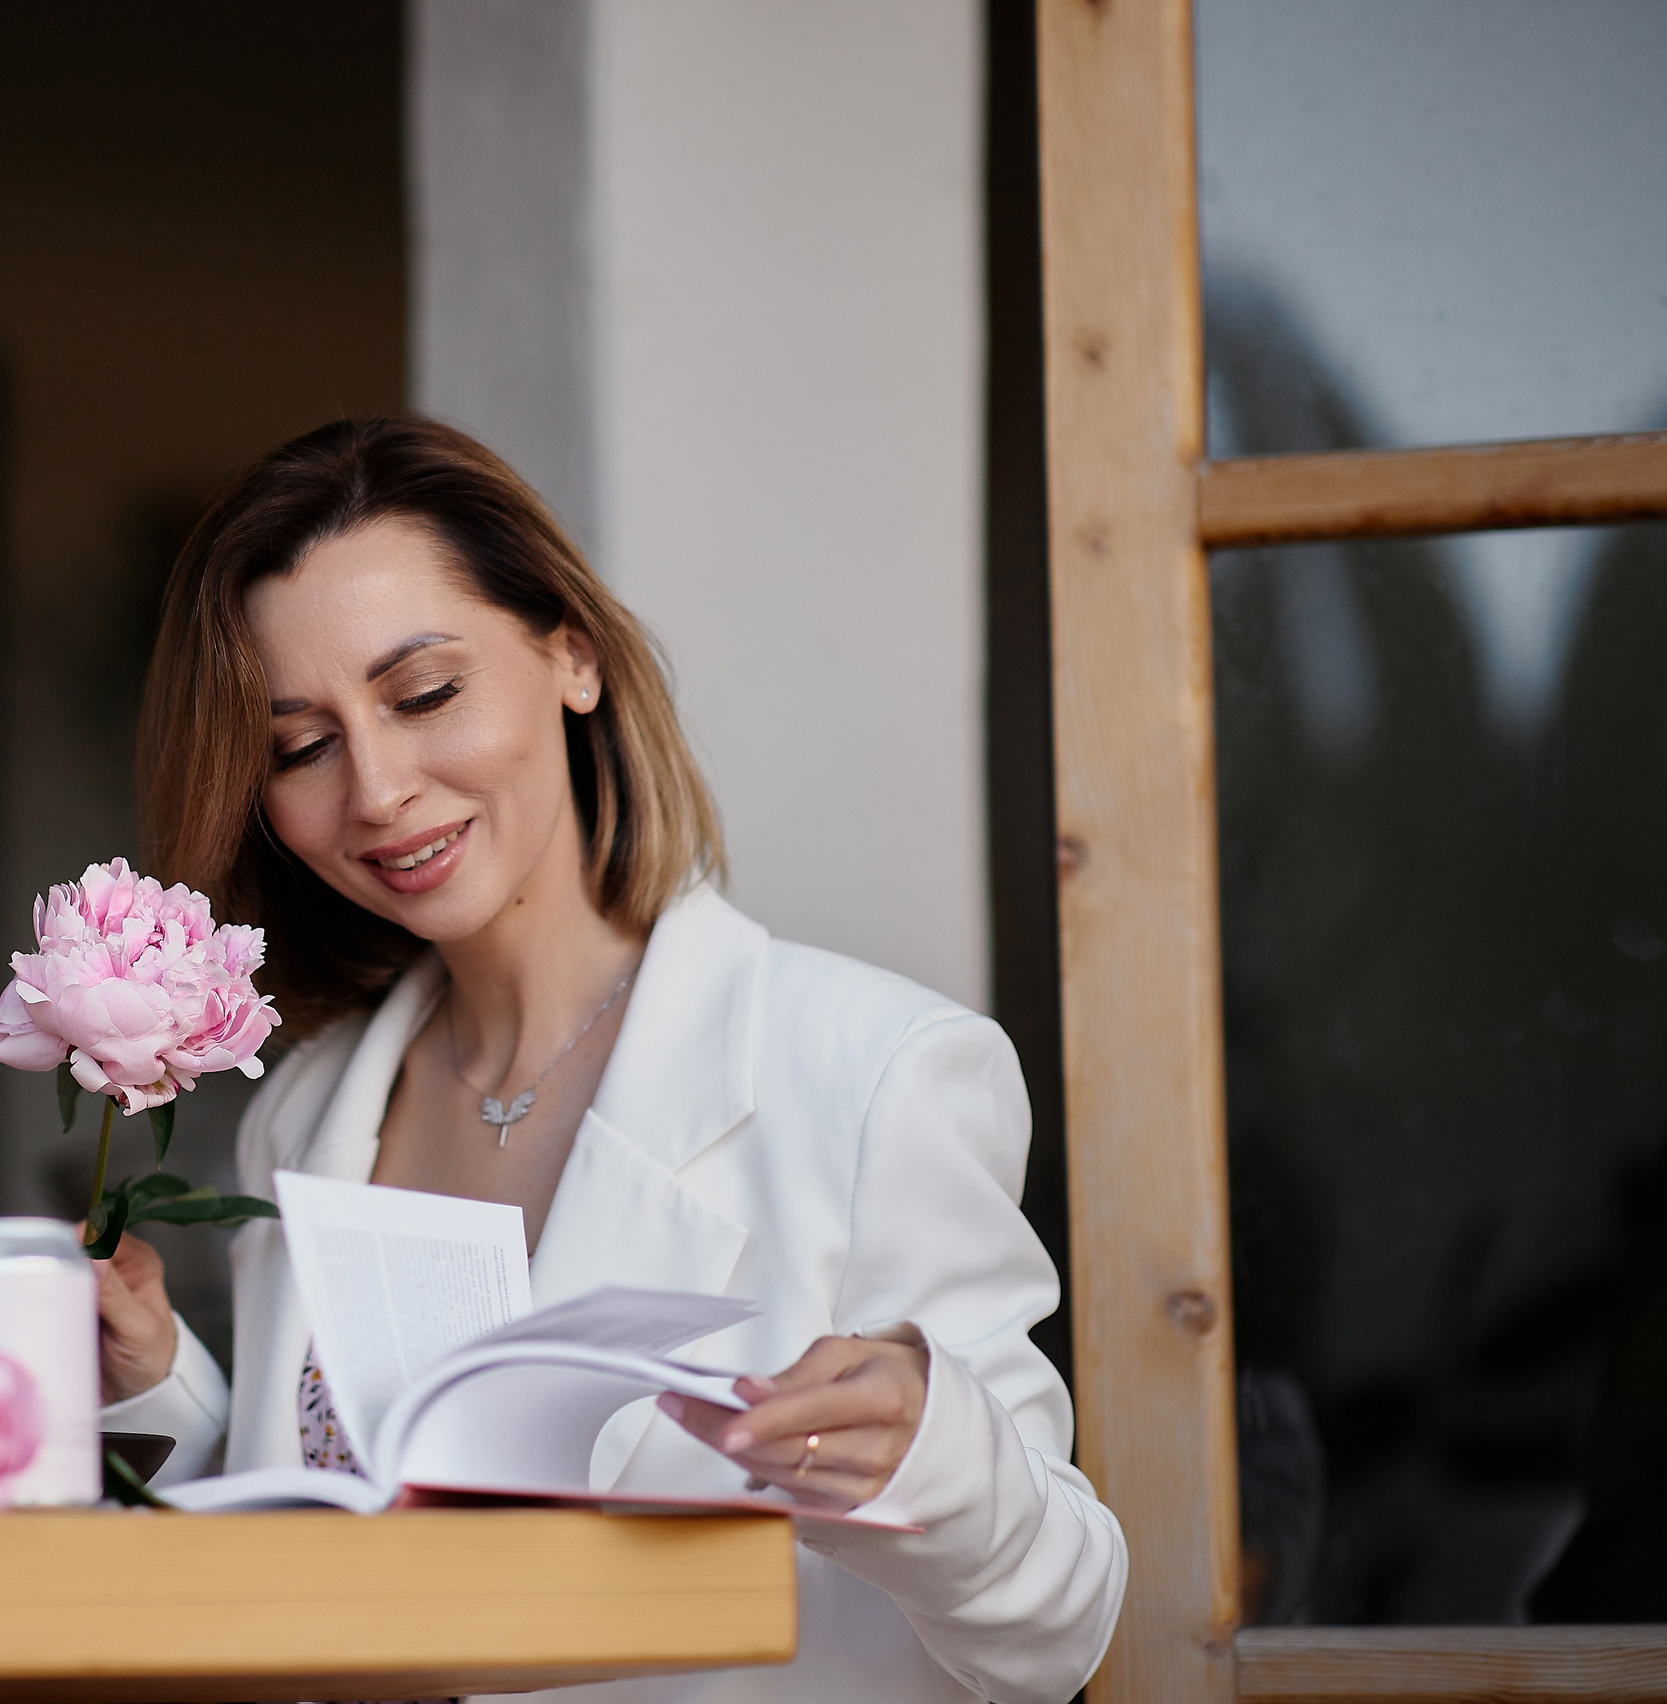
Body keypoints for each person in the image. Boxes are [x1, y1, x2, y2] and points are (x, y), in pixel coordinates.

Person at [96, 416, 1125, 1704]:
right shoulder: (307, 1109)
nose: (375, 790)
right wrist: (165, 1395)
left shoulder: (876, 1074)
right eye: (300, 746)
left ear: (571, 655)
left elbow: (1061, 1629)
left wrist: (935, 1460)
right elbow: (328, 1574)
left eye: (425, 696)